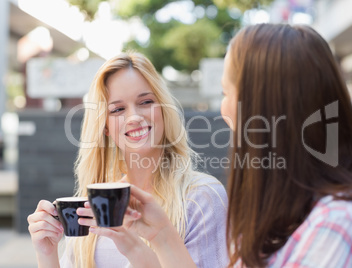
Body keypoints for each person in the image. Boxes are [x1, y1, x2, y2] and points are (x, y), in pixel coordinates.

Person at [27, 52, 228, 268]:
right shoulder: (95, 204)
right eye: (118, 109)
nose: (134, 117)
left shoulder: (202, 198)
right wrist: (46, 254)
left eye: (146, 101)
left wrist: (135, 250)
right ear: (104, 126)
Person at [221, 23, 352, 267]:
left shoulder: (337, 221)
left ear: (261, 109)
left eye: (225, 93)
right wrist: (162, 236)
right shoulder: (278, 205)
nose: (223, 109)